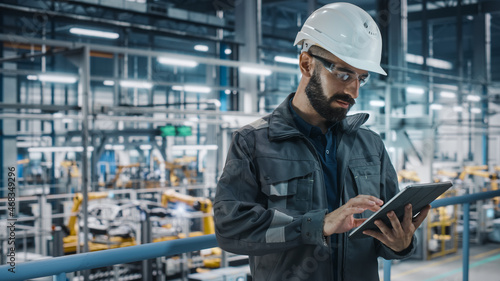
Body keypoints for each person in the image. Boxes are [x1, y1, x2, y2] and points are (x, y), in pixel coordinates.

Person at [213, 2, 430, 281]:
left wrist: (401, 244)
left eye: (361, 79)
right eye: (343, 74)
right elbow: (231, 228)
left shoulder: (371, 146)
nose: (353, 90)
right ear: (306, 64)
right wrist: (319, 225)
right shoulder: (253, 142)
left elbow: (384, 237)